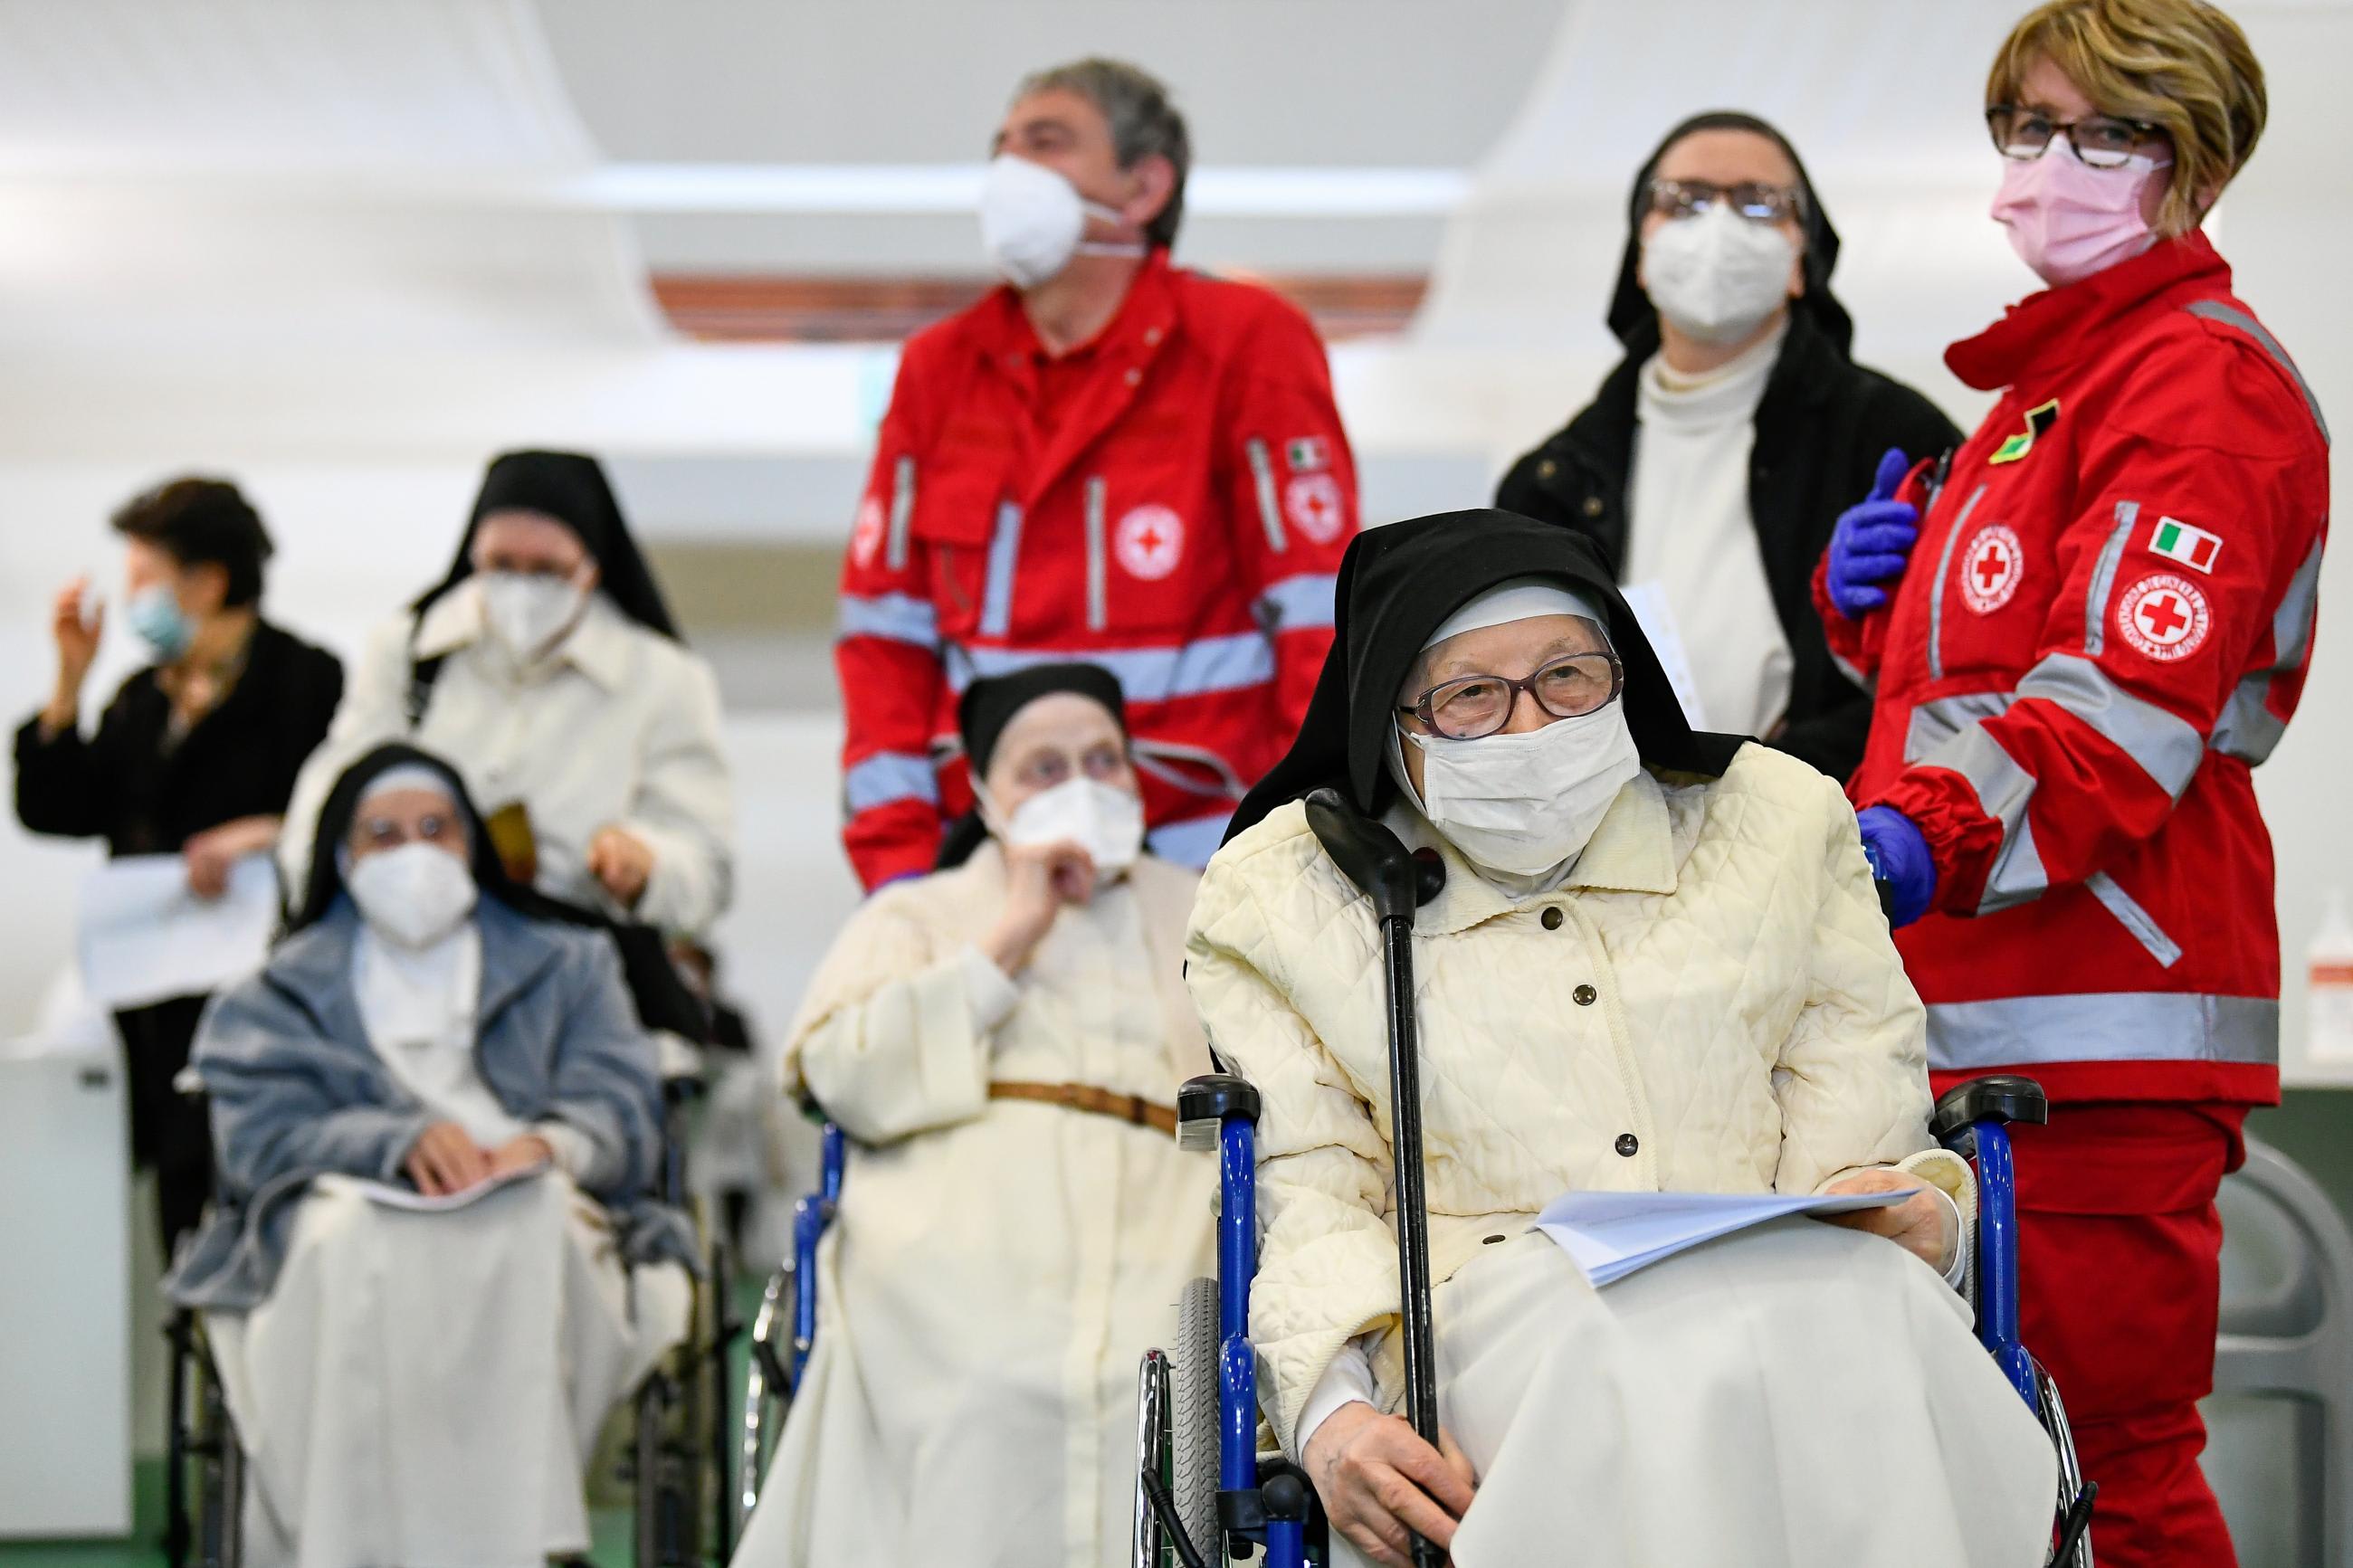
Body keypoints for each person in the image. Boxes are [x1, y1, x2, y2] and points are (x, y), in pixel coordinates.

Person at [1186, 510, 2053, 1567]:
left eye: (1568, 676)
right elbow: (1308, 1189)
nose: (1529, 726)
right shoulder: (1283, 890)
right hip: (1489, 1313)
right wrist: (1331, 1413)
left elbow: (1856, 1139)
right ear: (1391, 721)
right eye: (1469, 695)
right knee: (1619, 1347)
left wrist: (1933, 1222)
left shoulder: (1776, 819)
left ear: (1623, 670)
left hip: (1797, 1277)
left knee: (1871, 1315)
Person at [1815, 4, 2326, 1562]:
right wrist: (1867, 619)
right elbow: (1987, 672)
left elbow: (2117, 704)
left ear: (2197, 164)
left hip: (2103, 1021)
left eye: (2108, 133)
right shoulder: (2041, 400)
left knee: (2107, 1468)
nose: (2055, 166)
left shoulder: (2200, 387)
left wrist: (1918, 834)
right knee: (1981, 1470)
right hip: (1981, 1011)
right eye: (2029, 129)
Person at [834, 56, 1358, 889]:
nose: (1009, 171)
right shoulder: (939, 368)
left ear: (1144, 188)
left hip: (1209, 858)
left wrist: (1304, 860)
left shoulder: (1246, 344)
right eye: (1000, 148)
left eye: (1046, 143)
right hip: (984, 857)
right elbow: (883, 641)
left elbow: (1319, 626)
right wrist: (902, 879)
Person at [166, 744, 691, 1568]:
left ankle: (519, 1541)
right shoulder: (272, 995)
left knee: (537, 1217)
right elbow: (259, 1137)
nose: (414, 850)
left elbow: (623, 1100)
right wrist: (392, 1141)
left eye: (436, 827)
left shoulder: (570, 965)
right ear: (342, 855)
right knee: (345, 1239)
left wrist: (548, 1143)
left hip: (532, 1184)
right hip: (346, 1198)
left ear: (472, 843)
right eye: (383, 832)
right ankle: (349, 1545)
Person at [737, 664, 1215, 1568]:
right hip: (959, 1210)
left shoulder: (1202, 903)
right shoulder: (919, 910)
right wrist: (1011, 934)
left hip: (1165, 1207)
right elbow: (840, 1073)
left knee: (1149, 1386)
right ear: (987, 794)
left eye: (1103, 759)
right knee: (990, 1381)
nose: (1079, 782)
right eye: (1043, 766)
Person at [1495, 111, 1959, 780]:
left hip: (1825, 819)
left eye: (1758, 203)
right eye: (1683, 201)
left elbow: (1952, 674)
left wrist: (1768, 782)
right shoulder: (1556, 476)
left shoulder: (1891, 437)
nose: (1718, 225)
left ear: (1804, 260)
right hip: (1604, 825)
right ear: (1641, 257)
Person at [281, 450, 734, 1020]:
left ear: (592, 568)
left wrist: (646, 865)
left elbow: (708, 870)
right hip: (409, 971)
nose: (521, 587)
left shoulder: (664, 679)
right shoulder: (408, 652)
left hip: (574, 980)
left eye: (546, 570)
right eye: (500, 564)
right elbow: (329, 795)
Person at [13, 476, 342, 1257]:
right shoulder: (140, 699)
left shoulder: (303, 681)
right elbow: (57, 808)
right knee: (146, 1214)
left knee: (242, 1208)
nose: (134, 600)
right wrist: (68, 679)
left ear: (208, 580)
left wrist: (265, 834)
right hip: (146, 994)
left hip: (254, 995)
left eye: (144, 580)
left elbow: (346, 808)